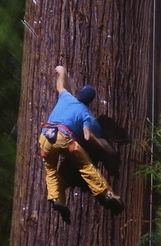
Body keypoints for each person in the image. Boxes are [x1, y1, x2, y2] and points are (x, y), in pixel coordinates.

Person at [38, 64, 122, 218]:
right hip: (63, 139)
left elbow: (60, 85)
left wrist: (62, 71)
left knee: (50, 170)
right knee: (86, 166)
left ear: (77, 94)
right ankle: (107, 195)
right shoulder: (85, 113)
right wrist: (102, 147)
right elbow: (87, 136)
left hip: (44, 137)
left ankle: (57, 199)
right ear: (90, 102)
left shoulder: (66, 97)